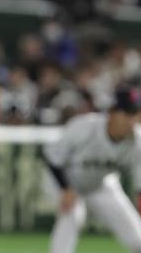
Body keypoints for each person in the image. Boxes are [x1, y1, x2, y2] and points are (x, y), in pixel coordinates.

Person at [41, 85, 141, 253]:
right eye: (127, 113)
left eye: (136, 114)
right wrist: (66, 189)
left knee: (137, 236)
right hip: (65, 179)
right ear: (112, 112)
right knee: (73, 216)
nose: (132, 120)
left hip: (101, 184)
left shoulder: (137, 142)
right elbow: (52, 156)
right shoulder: (85, 126)